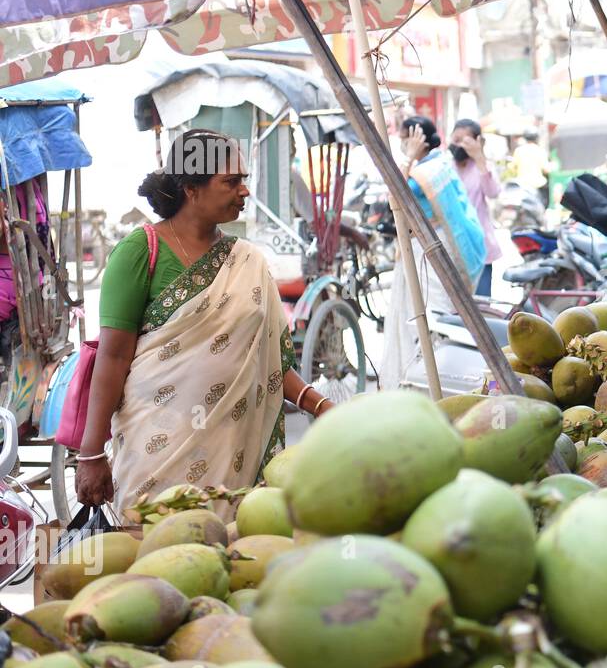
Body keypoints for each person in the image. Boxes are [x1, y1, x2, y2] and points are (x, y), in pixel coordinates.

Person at [75, 130, 333, 513]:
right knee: (157, 561)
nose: (243, 191)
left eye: (243, 180)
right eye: (231, 182)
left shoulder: (247, 261)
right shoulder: (139, 252)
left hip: (233, 461)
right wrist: (91, 453)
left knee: (227, 559)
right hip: (155, 453)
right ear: (191, 189)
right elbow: (112, 360)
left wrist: (321, 405)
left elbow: (271, 364)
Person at [379, 116, 486, 392]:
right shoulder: (437, 165)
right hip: (429, 246)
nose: (403, 144)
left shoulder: (425, 171)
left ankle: (431, 378)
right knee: (421, 313)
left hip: (430, 249)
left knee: (428, 316)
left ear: (418, 139)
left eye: (406, 139)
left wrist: (410, 158)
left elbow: (395, 192)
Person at [448, 118, 502, 298]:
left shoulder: (482, 167)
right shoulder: (445, 168)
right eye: (455, 140)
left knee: (482, 306)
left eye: (465, 141)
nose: (458, 145)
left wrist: (479, 158)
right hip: (452, 247)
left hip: (480, 248)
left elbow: (493, 192)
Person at [509, 128, 552, 208]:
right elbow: (546, 170)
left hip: (523, 185)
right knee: (542, 208)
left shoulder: (518, 151)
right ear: (536, 138)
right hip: (538, 185)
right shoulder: (540, 151)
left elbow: (512, 168)